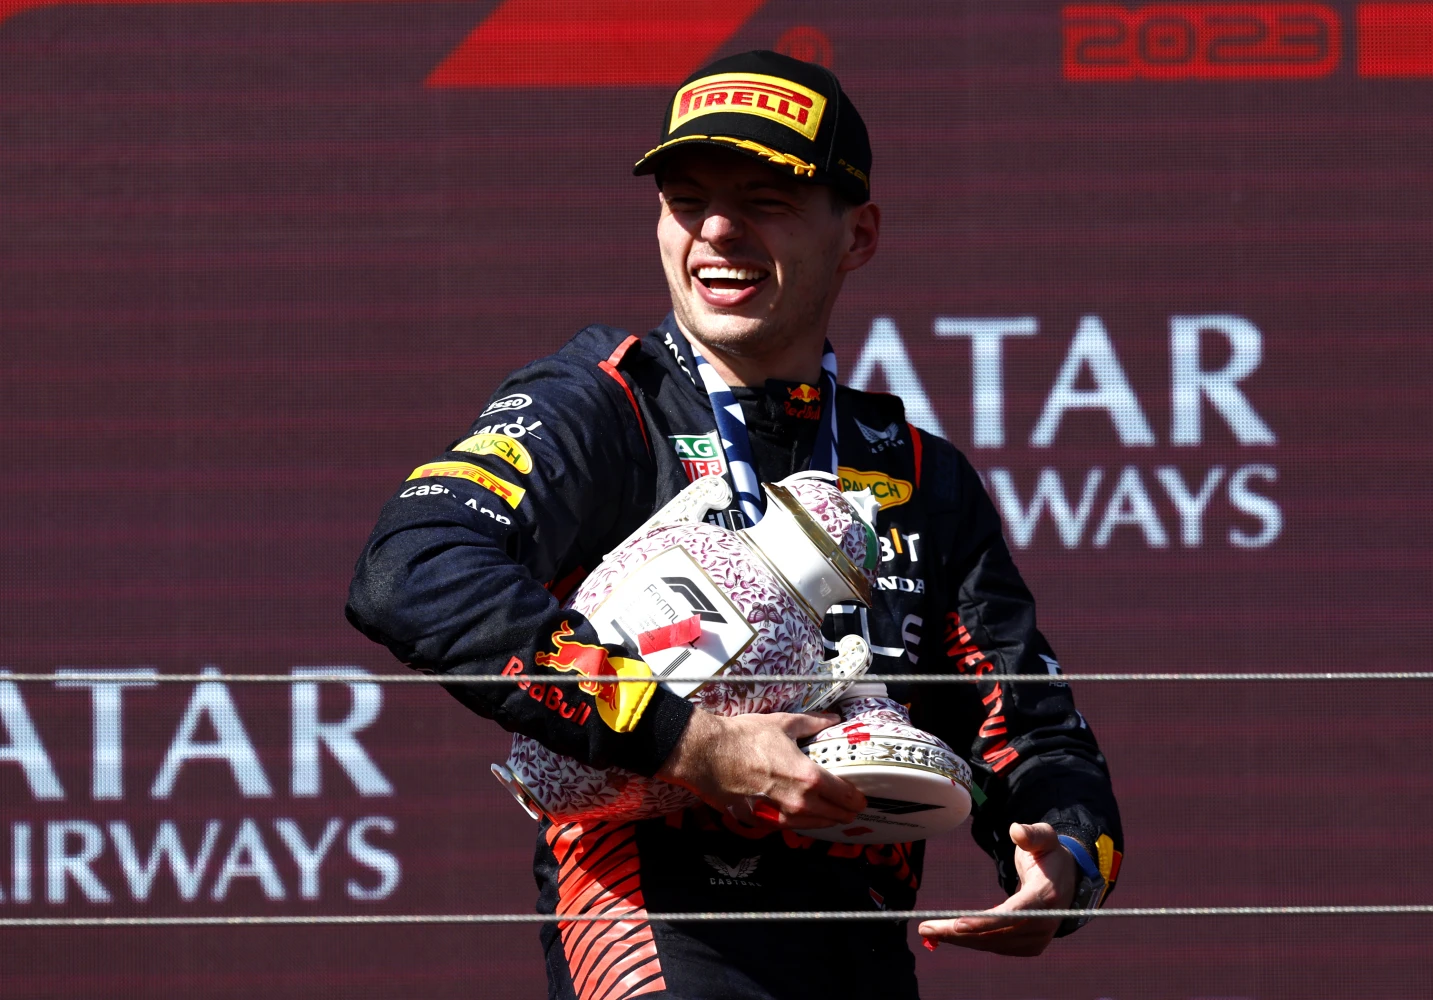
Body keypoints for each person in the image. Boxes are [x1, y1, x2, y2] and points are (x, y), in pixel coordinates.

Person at [347, 49, 1123, 1000]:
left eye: (767, 200)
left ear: (859, 234)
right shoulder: (600, 409)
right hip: (651, 921)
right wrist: (690, 744)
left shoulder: (918, 474)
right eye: (687, 199)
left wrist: (1063, 864)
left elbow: (1031, 730)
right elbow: (410, 569)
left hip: (863, 944)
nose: (717, 229)